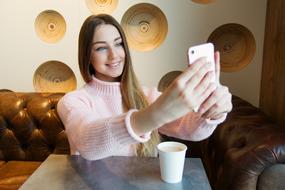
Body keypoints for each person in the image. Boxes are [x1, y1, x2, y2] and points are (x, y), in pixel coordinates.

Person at [57, 14, 232, 161]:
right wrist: (155, 114)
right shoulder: (72, 101)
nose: (114, 55)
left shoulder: (147, 95)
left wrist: (211, 112)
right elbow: (87, 141)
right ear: (87, 56)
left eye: (118, 44)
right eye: (101, 48)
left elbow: (190, 129)